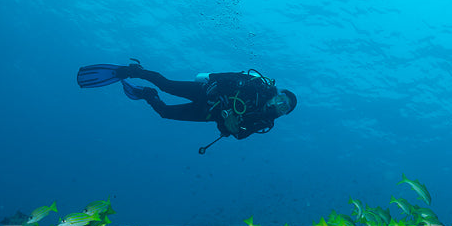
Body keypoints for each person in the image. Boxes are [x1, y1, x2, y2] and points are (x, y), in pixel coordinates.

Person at [77, 61, 296, 141]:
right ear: (277, 94)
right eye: (281, 99)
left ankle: (146, 94)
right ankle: (133, 71)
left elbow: (238, 135)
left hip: (208, 114)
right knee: (166, 84)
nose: (279, 105)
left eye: (284, 108)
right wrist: (226, 107)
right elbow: (225, 79)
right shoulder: (258, 87)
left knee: (165, 113)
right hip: (206, 92)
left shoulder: (265, 123)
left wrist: (228, 126)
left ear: (284, 114)